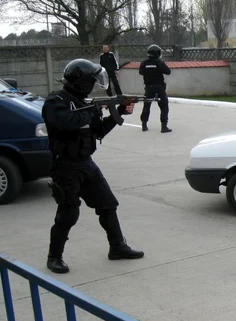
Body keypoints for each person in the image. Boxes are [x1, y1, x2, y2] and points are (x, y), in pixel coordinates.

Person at [42, 58, 145, 274]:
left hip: (86, 163)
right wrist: (92, 109)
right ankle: (54, 256)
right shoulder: (56, 101)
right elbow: (66, 122)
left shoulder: (86, 102)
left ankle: (117, 247)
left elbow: (97, 132)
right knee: (68, 213)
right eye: (91, 80)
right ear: (81, 81)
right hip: (65, 166)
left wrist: (119, 114)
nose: (94, 85)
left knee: (107, 204)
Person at [139, 44, 172, 133]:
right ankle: (164, 126)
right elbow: (168, 72)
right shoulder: (159, 62)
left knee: (147, 106)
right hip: (159, 87)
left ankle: (144, 125)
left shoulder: (144, 63)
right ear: (157, 53)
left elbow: (141, 72)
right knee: (164, 106)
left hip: (148, 88)